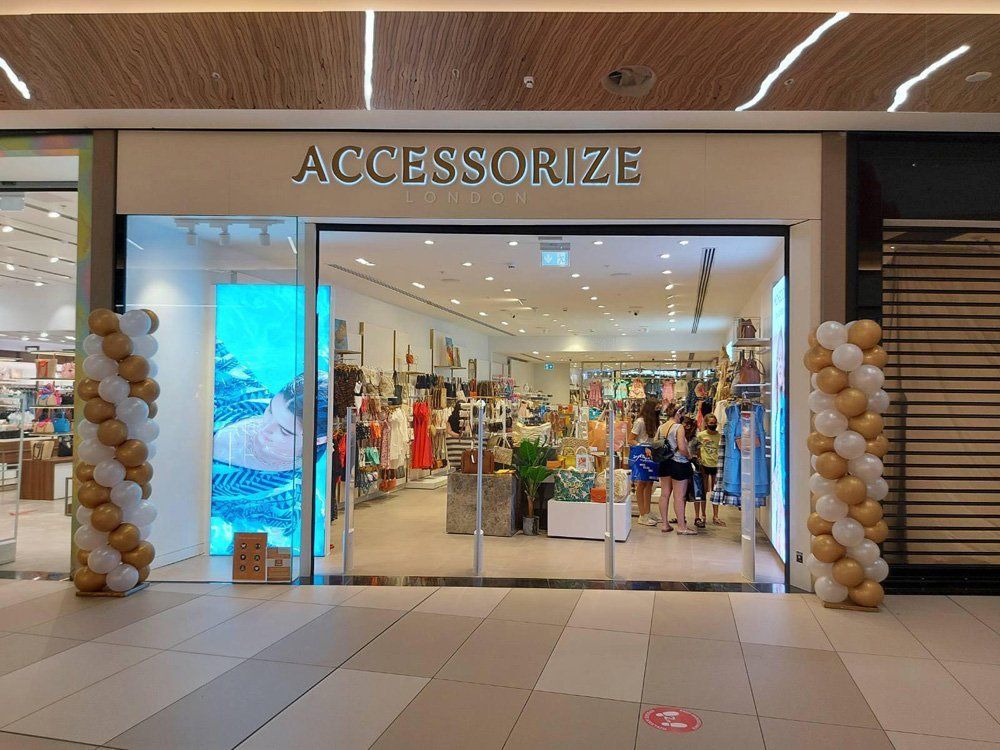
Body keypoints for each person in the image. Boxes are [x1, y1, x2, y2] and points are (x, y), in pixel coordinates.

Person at [212, 341, 329, 554]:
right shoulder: (248, 392)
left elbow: (244, 553)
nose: (265, 428)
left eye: (285, 431)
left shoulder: (281, 502)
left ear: (318, 440)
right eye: (270, 411)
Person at [656, 407, 696, 535]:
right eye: (681, 414)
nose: (682, 417)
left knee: (664, 494)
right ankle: (681, 527)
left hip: (664, 462)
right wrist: (689, 456)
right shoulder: (678, 427)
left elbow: (655, 444)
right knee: (679, 496)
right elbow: (682, 447)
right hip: (678, 463)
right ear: (677, 414)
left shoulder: (661, 427)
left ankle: (665, 524)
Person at [629, 398, 660, 526]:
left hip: (651, 454)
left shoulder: (654, 422)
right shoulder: (640, 422)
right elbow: (631, 439)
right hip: (641, 455)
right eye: (656, 408)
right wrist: (642, 446)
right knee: (642, 483)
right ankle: (642, 514)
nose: (658, 410)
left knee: (649, 483)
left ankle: (647, 512)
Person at [698, 415, 725, 526]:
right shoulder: (701, 435)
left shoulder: (720, 436)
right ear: (706, 424)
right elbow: (697, 449)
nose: (713, 425)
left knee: (716, 491)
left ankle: (715, 515)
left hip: (716, 465)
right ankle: (703, 514)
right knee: (703, 490)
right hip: (704, 465)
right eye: (711, 423)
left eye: (714, 423)